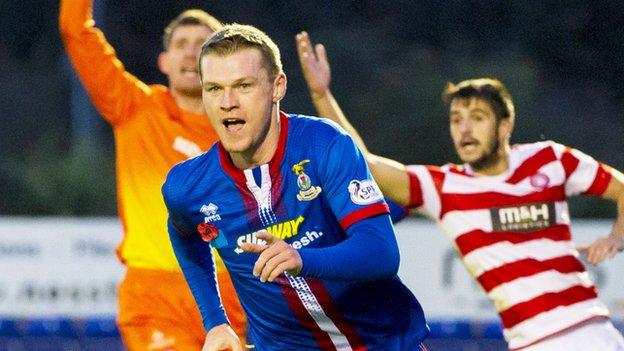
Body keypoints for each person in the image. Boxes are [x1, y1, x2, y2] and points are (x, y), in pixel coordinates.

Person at [295, 32, 624, 351]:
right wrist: (323, 96)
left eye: (477, 118)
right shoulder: (444, 187)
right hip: (527, 341)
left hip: (589, 331)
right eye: (456, 119)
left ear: (505, 126)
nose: (464, 129)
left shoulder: (549, 159)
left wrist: (617, 236)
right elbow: (367, 164)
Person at [162, 24, 430, 351]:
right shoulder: (187, 187)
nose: (227, 102)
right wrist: (215, 320)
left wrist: (301, 258)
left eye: (243, 86)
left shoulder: (324, 145)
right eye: (214, 89)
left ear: (277, 87)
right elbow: (183, 233)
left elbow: (382, 251)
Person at [59, 1, 247, 349]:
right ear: (165, 62)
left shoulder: (245, 131)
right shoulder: (134, 107)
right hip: (155, 295)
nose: (191, 53)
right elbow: (77, 32)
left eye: (203, 45)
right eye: (181, 44)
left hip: (232, 293)